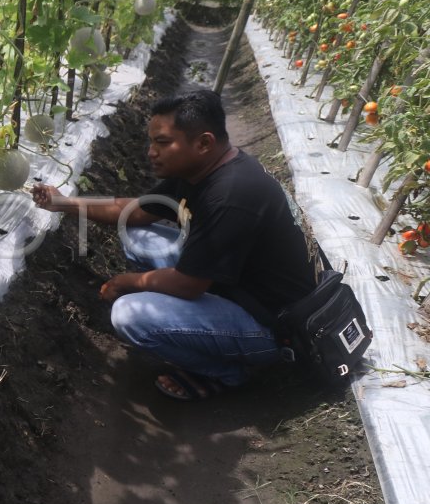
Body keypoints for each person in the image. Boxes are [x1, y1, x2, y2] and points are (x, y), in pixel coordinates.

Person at [30, 89, 317, 401]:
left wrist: (125, 283)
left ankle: (229, 372)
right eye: (152, 141)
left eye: (162, 142)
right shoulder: (201, 170)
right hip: (238, 286)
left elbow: (188, 285)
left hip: (270, 325)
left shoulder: (231, 196)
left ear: (204, 143)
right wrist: (64, 203)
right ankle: (190, 332)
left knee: (129, 314)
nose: (151, 151)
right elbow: (135, 212)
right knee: (138, 238)